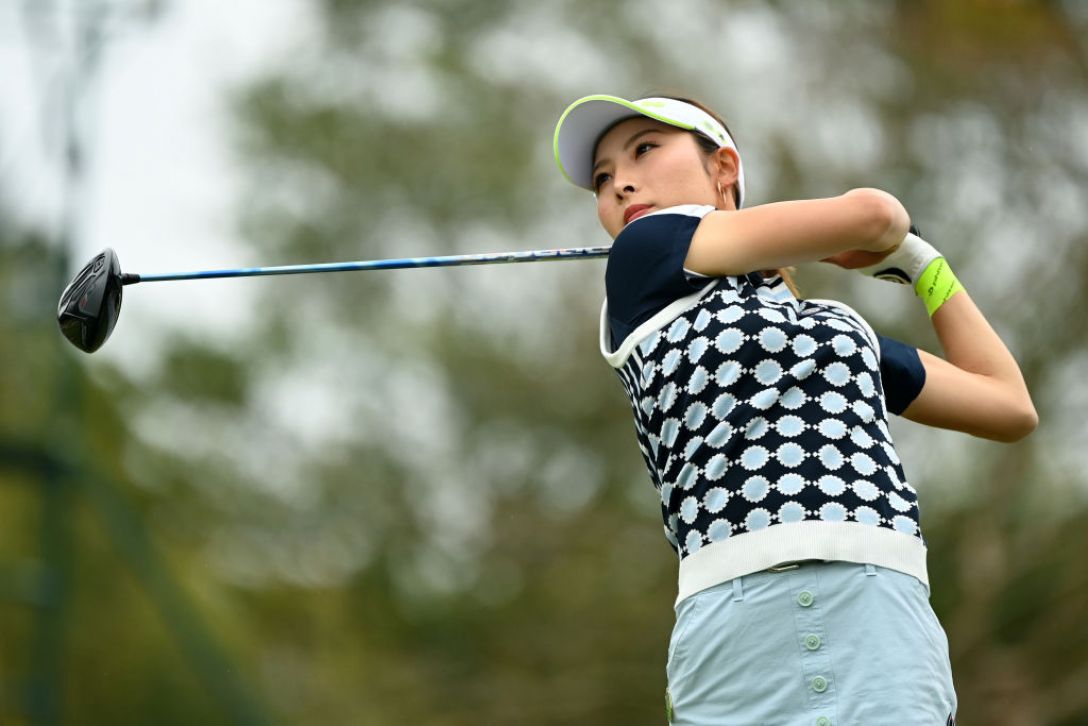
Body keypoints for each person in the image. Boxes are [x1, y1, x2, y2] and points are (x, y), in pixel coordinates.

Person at [552, 95, 1037, 725]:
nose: (619, 181)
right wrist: (877, 237)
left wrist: (922, 265)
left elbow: (1008, 405)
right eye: (601, 177)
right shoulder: (645, 252)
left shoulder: (836, 330)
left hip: (881, 617)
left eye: (644, 149)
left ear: (723, 168)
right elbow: (874, 214)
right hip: (736, 628)